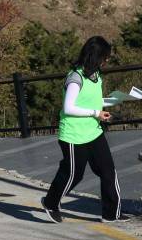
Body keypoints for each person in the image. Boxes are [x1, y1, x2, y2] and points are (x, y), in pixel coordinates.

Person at [40, 36, 126, 223]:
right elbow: (69, 107)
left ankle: (111, 214)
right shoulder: (75, 77)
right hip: (73, 134)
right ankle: (51, 202)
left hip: (93, 132)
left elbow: (90, 100)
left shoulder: (96, 76)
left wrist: (112, 101)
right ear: (96, 57)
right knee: (73, 174)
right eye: (105, 57)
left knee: (107, 171)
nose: (107, 60)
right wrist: (96, 112)